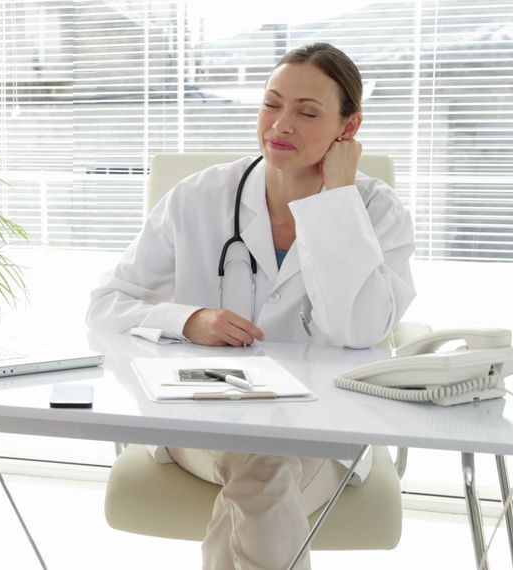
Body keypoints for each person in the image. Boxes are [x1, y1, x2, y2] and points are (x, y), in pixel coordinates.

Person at [86, 43, 416, 570]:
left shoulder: (376, 211)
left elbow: (359, 331)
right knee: (261, 468)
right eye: (271, 104)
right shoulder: (199, 197)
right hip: (204, 423)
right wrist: (187, 320)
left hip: (323, 429)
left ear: (347, 129)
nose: (281, 124)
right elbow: (105, 304)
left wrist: (336, 201)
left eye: (308, 112)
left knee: (262, 475)